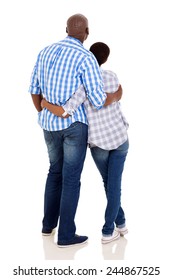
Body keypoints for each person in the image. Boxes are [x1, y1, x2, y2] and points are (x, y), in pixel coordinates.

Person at [29, 15, 122, 247]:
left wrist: (43, 113)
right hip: (73, 127)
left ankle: (47, 226)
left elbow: (33, 89)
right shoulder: (86, 57)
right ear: (87, 32)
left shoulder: (45, 51)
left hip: (48, 124)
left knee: (54, 172)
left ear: (66, 29)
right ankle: (66, 236)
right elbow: (98, 100)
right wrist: (117, 95)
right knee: (71, 179)